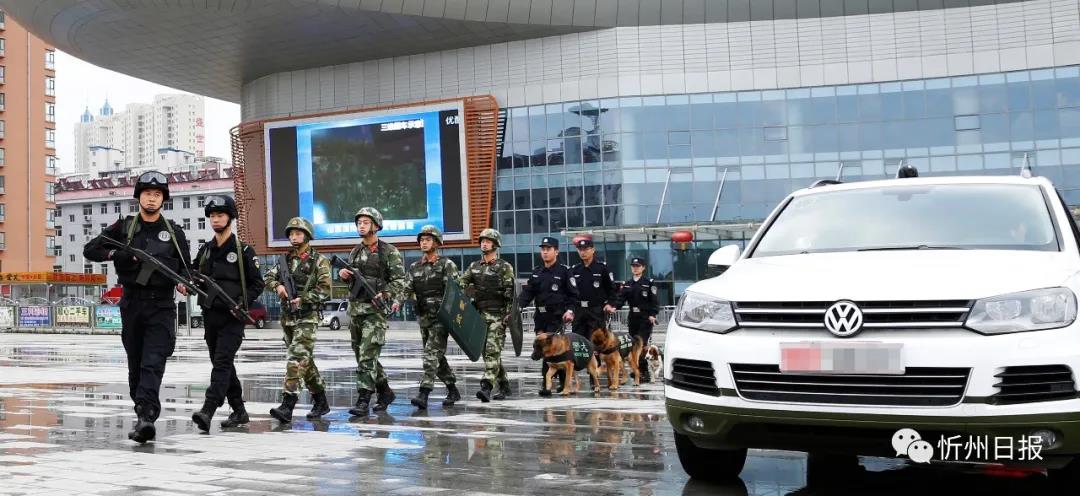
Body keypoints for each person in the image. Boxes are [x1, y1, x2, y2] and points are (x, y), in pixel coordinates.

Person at [83, 170, 191, 443]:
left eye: (157, 194)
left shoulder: (174, 232)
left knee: (153, 362)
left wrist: (184, 283)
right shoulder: (124, 227)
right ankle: (142, 412)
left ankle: (147, 416)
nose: (152, 199)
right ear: (138, 197)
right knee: (136, 363)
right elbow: (90, 249)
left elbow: (187, 270)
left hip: (162, 305)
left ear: (163, 199)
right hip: (132, 304)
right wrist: (116, 253)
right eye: (147, 194)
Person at [189, 195, 263, 431]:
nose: (215, 220)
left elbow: (257, 284)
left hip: (233, 317)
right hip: (210, 316)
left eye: (220, 215)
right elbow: (193, 276)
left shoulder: (244, 251)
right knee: (223, 364)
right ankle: (239, 411)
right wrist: (186, 285)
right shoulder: (206, 250)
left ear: (230, 218)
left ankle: (208, 409)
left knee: (221, 363)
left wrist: (241, 302)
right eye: (212, 216)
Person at [264, 217, 333, 423]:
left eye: (298, 233)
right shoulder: (285, 260)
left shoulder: (319, 260)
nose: (294, 237)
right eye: (291, 234)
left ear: (307, 236)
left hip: (308, 317)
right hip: (288, 318)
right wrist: (278, 286)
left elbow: (325, 289)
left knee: (295, 358)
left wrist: (303, 299)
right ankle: (321, 401)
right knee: (305, 361)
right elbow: (267, 277)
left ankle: (288, 404)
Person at [340, 207, 404, 417]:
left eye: (366, 222)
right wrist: (344, 275)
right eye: (359, 222)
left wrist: (385, 294)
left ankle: (363, 399)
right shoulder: (355, 251)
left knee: (367, 356)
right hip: (356, 310)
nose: (361, 226)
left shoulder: (388, 251)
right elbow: (352, 278)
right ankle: (385, 392)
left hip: (375, 312)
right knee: (362, 355)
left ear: (376, 226)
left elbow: (399, 280)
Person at [403, 225, 461, 409]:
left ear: (436, 243)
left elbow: (455, 291)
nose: (423, 243)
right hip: (424, 318)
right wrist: (396, 302)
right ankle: (452, 389)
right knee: (437, 357)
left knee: (430, 355)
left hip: (441, 320)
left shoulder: (446, 265)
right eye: (421, 240)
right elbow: (406, 289)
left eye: (427, 240)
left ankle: (424, 393)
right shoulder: (414, 267)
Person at [460, 228, 516, 402]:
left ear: (495, 244)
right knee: (488, 353)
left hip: (498, 316)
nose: (484, 244)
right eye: (482, 241)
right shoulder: (474, 267)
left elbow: (510, 293)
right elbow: (461, 283)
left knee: (492, 351)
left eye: (488, 241)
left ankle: (486, 387)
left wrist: (509, 316)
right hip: (479, 317)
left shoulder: (504, 267)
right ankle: (504, 385)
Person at [517, 236, 579, 396]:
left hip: (557, 317)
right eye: (543, 249)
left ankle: (559, 384)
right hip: (540, 317)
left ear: (556, 251)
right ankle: (548, 384)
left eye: (548, 249)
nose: (545, 252)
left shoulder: (564, 271)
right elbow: (528, 293)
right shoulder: (537, 272)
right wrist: (519, 306)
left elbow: (573, 295)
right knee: (542, 350)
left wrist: (570, 310)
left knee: (556, 350)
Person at [613, 257, 660, 382]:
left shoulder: (649, 283)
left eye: (638, 266)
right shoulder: (628, 283)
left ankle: (643, 371)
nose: (635, 268)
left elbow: (654, 301)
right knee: (633, 344)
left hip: (645, 318)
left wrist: (653, 314)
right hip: (633, 318)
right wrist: (614, 307)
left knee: (641, 344)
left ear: (643, 268)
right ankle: (636, 369)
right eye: (633, 266)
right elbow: (620, 299)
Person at [569, 237, 617, 338]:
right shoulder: (575, 269)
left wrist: (610, 304)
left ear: (593, 250)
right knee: (578, 341)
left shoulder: (602, 268)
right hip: (579, 311)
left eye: (586, 249)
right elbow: (570, 292)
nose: (583, 252)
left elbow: (612, 289)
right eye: (580, 249)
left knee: (596, 341)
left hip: (596, 311)